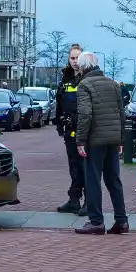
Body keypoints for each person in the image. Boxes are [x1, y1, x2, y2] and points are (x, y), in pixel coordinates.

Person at [73, 52, 129, 235]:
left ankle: (96, 221)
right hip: (112, 140)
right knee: (114, 180)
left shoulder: (84, 85)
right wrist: (120, 139)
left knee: (93, 180)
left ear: (82, 67)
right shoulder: (113, 84)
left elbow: (85, 114)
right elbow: (121, 113)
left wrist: (80, 140)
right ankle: (121, 220)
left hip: (95, 141)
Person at [53, 44, 86, 215]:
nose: (75, 61)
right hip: (69, 131)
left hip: (84, 131)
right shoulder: (65, 78)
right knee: (74, 167)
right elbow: (59, 102)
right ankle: (74, 200)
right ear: (68, 59)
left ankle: (89, 202)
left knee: (85, 168)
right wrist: (59, 123)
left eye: (77, 58)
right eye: (72, 58)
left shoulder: (86, 77)